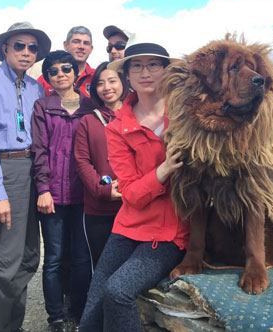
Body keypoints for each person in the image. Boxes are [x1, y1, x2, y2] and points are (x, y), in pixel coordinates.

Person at [79, 43, 189, 332]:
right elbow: (130, 194)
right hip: (129, 224)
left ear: (166, 70)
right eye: (137, 66)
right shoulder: (117, 128)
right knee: (94, 302)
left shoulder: (186, 116)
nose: (145, 72)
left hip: (170, 228)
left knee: (118, 292)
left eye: (154, 64)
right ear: (127, 75)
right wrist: (164, 170)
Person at [0, 21, 51, 332]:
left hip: (32, 169)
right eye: (19, 45)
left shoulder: (35, 87)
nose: (27, 52)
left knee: (29, 255)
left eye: (32, 48)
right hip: (5, 171)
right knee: (5, 259)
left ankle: (12, 325)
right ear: (5, 48)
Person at [30, 50, 92, 331]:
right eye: (53, 71)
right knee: (53, 258)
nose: (61, 74)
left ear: (75, 72)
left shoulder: (90, 107)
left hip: (83, 194)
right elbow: (39, 150)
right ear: (48, 78)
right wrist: (42, 187)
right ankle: (55, 317)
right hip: (52, 194)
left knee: (81, 257)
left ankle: (78, 311)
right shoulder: (42, 106)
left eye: (66, 68)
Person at [74, 62, 126, 267]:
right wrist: (102, 190)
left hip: (133, 207)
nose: (107, 88)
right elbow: (82, 161)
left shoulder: (137, 117)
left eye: (112, 81)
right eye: (100, 83)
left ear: (123, 83)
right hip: (99, 208)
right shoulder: (88, 121)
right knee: (101, 266)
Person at [38, 26, 94, 97]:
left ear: (91, 49)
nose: (81, 47)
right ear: (65, 45)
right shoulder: (45, 79)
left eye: (86, 43)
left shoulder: (97, 77)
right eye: (76, 42)